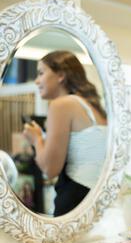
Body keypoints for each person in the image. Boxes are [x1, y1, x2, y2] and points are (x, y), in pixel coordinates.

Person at [22, 50, 107, 216]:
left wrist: (36, 138)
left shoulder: (61, 105)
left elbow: (50, 169)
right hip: (95, 198)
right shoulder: (94, 107)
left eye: (41, 73)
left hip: (74, 198)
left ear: (60, 75)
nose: (37, 81)